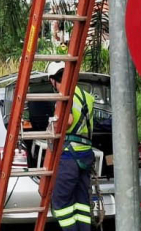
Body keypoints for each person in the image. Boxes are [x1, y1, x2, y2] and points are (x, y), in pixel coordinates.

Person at [46, 61, 95, 231]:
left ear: (53, 80)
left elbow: (67, 121)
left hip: (69, 157)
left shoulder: (64, 96)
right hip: (86, 154)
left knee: (61, 204)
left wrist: (52, 125)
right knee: (81, 203)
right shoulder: (86, 95)